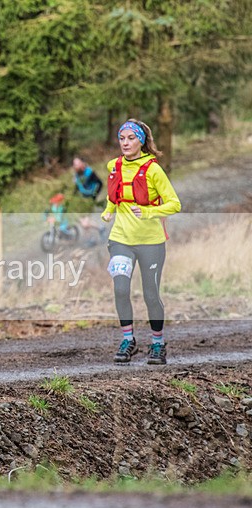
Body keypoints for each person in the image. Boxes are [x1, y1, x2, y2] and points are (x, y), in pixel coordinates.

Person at [101, 119, 181, 365]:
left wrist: (147, 212)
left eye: (131, 138)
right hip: (120, 239)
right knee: (121, 289)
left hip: (150, 242)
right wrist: (108, 210)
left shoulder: (154, 170)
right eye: (122, 138)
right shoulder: (113, 165)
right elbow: (115, 194)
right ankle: (128, 340)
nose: (125, 143)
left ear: (141, 141)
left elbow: (174, 204)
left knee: (150, 294)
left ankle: (158, 344)